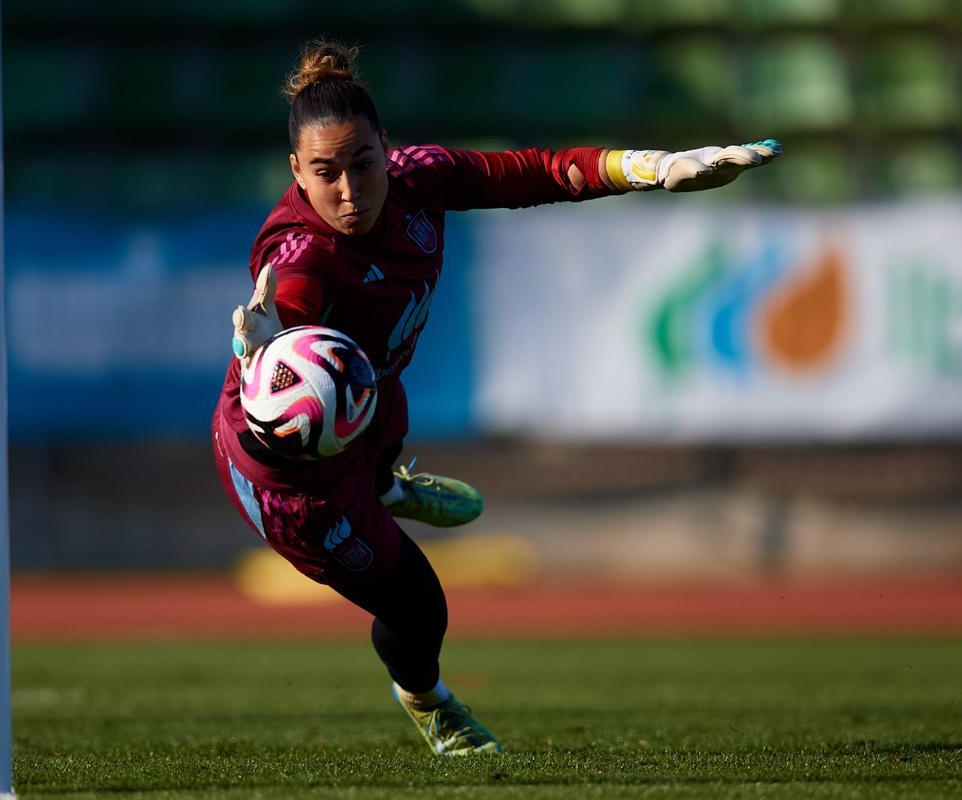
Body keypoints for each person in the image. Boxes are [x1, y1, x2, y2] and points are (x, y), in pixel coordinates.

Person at [212, 39, 781, 756]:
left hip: (362, 408)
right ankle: (429, 703)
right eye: (326, 174)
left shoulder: (419, 179)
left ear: (387, 148)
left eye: (363, 164)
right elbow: (289, 299)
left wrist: (654, 167)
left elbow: (533, 171)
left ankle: (382, 482)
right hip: (287, 471)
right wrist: (265, 338)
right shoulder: (301, 258)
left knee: (377, 398)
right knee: (419, 607)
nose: (350, 191)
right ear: (296, 171)